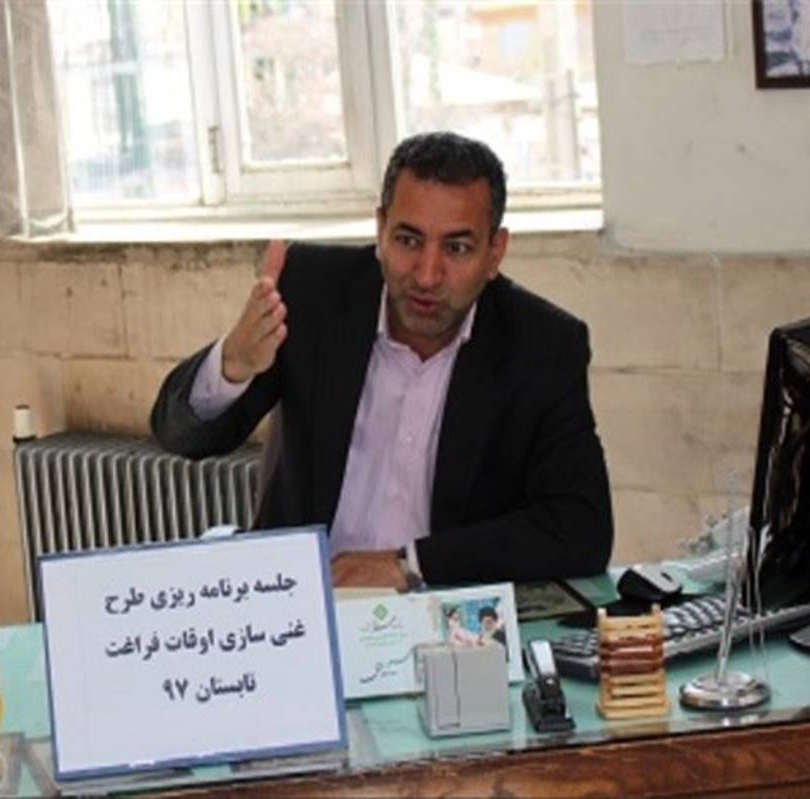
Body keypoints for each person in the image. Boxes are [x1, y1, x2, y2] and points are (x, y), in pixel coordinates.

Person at [151, 132, 613, 589]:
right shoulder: (312, 293)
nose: (427, 275)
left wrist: (410, 565)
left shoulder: (542, 345)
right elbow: (178, 435)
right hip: (303, 601)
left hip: (441, 610)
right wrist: (232, 363)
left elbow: (582, 529)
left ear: (495, 252)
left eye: (456, 248)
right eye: (408, 240)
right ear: (380, 231)